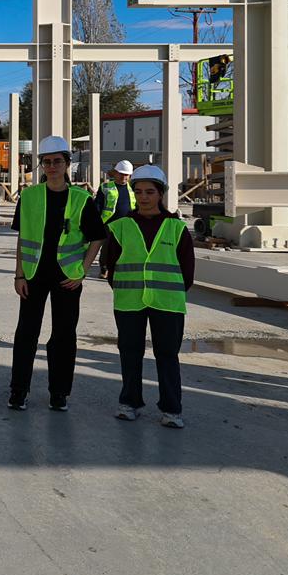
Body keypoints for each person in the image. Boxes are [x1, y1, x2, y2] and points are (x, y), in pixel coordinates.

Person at [8, 135, 106, 412]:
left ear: (67, 164)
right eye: (47, 162)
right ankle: (19, 391)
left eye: (57, 162)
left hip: (67, 278)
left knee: (63, 335)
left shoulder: (81, 199)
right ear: (41, 165)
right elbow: (22, 237)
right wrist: (18, 275)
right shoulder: (29, 197)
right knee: (26, 333)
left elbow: (97, 237)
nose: (52, 167)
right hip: (33, 275)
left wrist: (83, 273)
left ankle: (59, 392)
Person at [102, 164, 195, 428]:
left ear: (161, 193)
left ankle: (172, 409)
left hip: (167, 302)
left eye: (150, 192)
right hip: (129, 300)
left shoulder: (176, 229)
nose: (144, 197)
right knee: (130, 353)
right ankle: (129, 402)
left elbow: (187, 272)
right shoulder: (121, 227)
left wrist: (168, 290)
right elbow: (110, 265)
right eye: (139, 191)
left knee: (167, 355)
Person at [97, 160, 135, 225]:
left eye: (126, 175)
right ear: (115, 173)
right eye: (121, 174)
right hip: (109, 224)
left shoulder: (133, 188)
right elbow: (98, 205)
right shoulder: (105, 187)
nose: (123, 177)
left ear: (130, 175)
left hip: (127, 224)